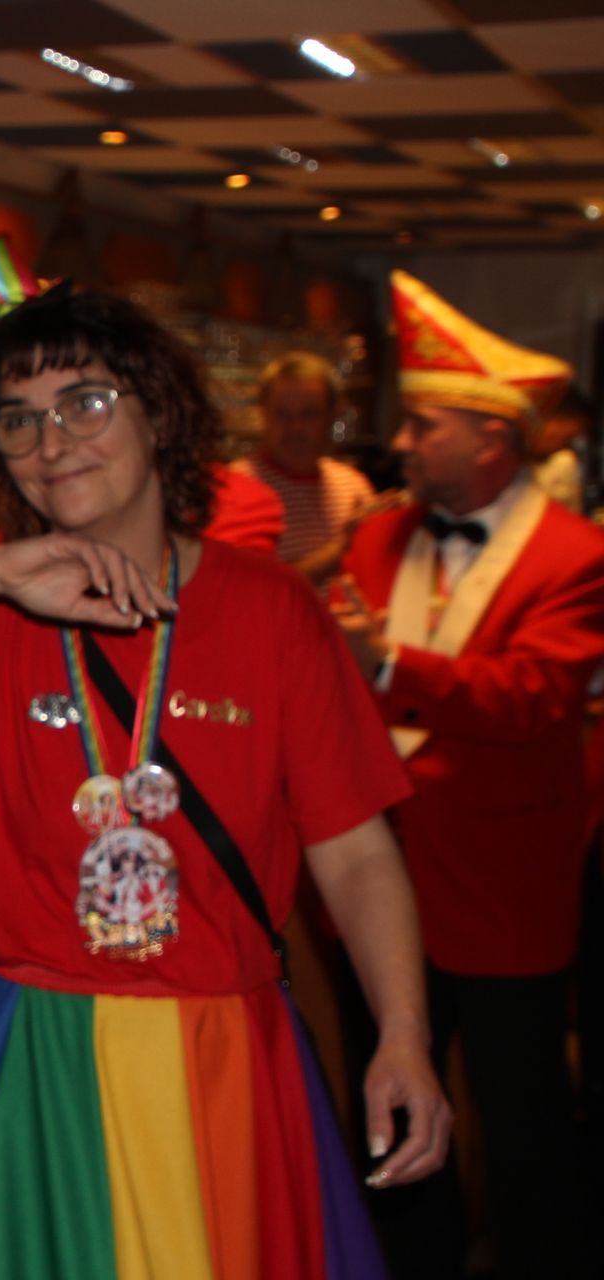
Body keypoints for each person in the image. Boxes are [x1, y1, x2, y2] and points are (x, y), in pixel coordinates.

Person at [0, 283, 450, 1279]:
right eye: (18, 419)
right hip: (8, 1039)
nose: (53, 443)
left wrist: (404, 1035)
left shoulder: (271, 609)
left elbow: (355, 852)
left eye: (84, 403)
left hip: (216, 1042)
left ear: (158, 415)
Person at [331, 269, 604, 1279]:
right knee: (389, 1109)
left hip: (505, 890)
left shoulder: (577, 556)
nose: (401, 444)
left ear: (493, 438)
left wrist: (387, 665)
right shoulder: (378, 533)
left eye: (423, 426)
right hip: (375, 880)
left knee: (523, 1114)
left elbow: (532, 693)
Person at [233, 351, 393, 585]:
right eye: (282, 414)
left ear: (333, 415)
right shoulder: (235, 486)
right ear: (263, 414)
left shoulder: (353, 485)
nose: (295, 428)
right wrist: (342, 548)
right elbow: (252, 589)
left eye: (309, 414)